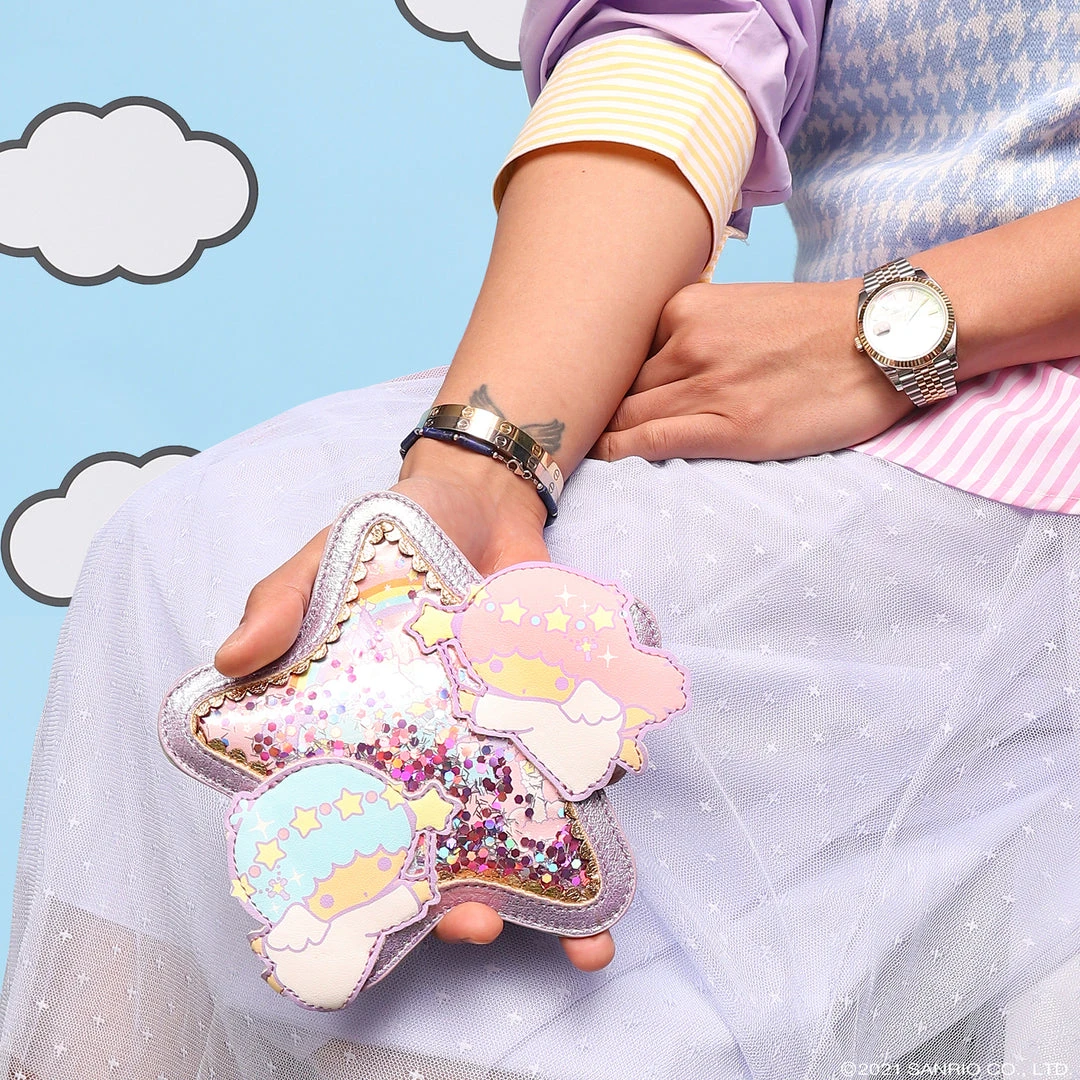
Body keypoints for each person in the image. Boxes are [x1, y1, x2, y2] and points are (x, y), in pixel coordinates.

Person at [3, 1, 1079, 1077]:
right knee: (200, 538)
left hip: (992, 424)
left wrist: (898, 325)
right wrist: (481, 462)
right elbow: (684, 38)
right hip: (828, 386)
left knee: (602, 661)